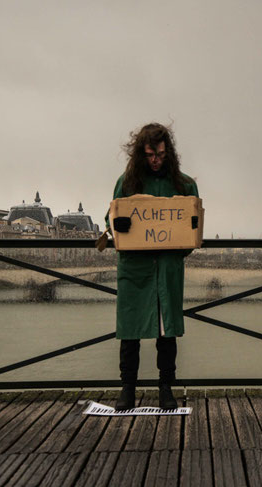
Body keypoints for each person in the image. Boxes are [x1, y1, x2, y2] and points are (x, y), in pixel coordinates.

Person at [106, 123, 199, 411]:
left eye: (160, 154)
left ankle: (166, 388)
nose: (156, 160)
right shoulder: (127, 182)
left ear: (168, 152)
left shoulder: (184, 184)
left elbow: (192, 228)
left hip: (167, 267)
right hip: (135, 268)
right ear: (140, 154)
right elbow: (112, 220)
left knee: (165, 331)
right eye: (150, 155)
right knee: (130, 330)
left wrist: (177, 248)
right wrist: (116, 226)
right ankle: (127, 389)